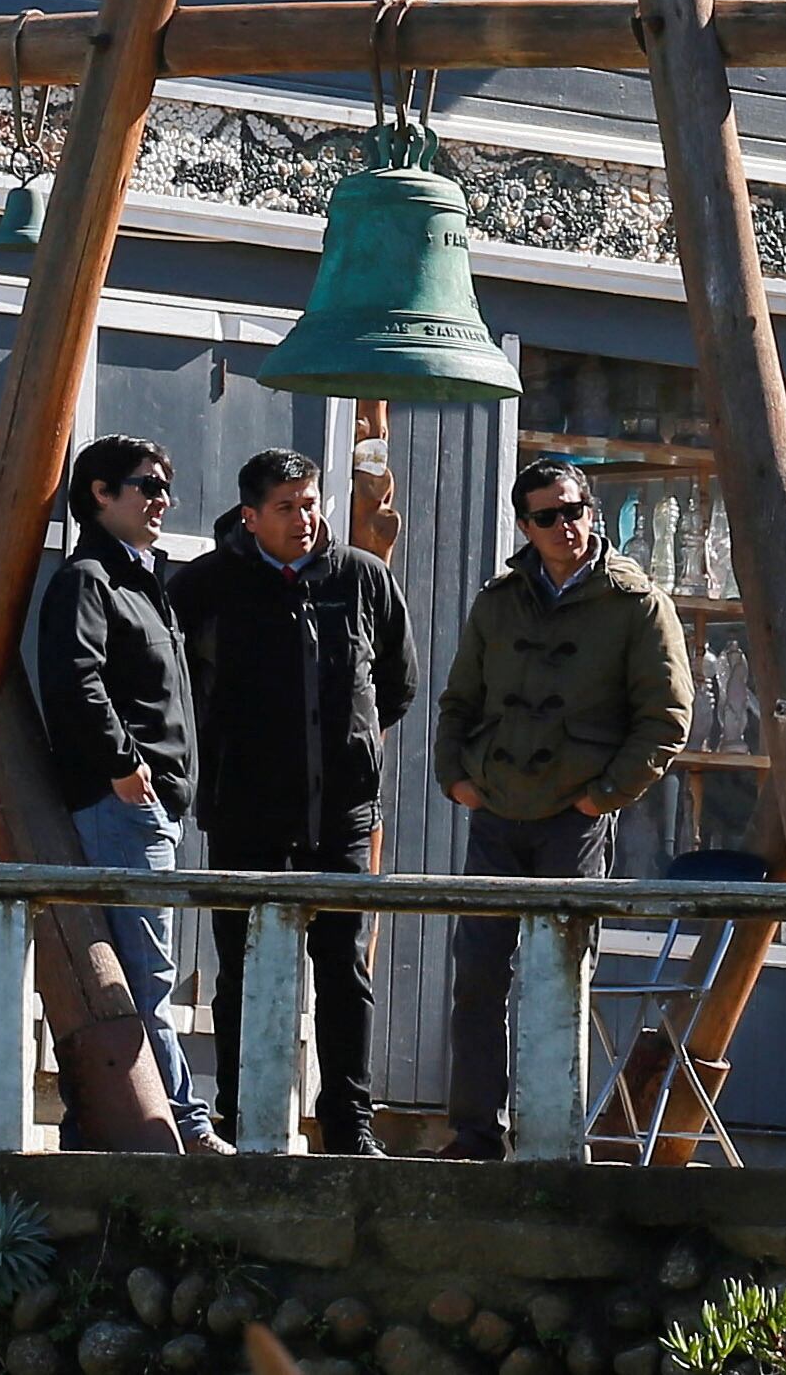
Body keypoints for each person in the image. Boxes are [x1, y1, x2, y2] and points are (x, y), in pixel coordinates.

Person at [433, 454, 686, 1161]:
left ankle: (548, 1136)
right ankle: (473, 1135)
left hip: (572, 820)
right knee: (477, 978)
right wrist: (456, 778)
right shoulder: (498, 599)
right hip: (494, 812)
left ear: (591, 513)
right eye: (547, 516)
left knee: (556, 979)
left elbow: (666, 718)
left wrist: (599, 798)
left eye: (573, 510)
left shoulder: (635, 603)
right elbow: (458, 703)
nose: (564, 526)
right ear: (525, 525)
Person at [169, 447, 413, 1152]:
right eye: (286, 507)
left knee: (342, 970)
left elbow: (395, 684)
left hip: (338, 813)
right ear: (251, 516)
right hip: (244, 812)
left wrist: (352, 750)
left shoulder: (361, 577)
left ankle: (348, 1124)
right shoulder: (208, 584)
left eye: (310, 503)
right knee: (242, 971)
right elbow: (176, 690)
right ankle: (244, 1116)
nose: (303, 518)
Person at [35, 433, 223, 1154]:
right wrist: (124, 767)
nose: (161, 500)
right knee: (146, 974)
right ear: (100, 495)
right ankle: (183, 1123)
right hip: (121, 803)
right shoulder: (89, 579)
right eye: (145, 486)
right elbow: (75, 680)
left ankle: (99, 1124)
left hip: (152, 802)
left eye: (164, 485)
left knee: (132, 968)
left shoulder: (143, 580)